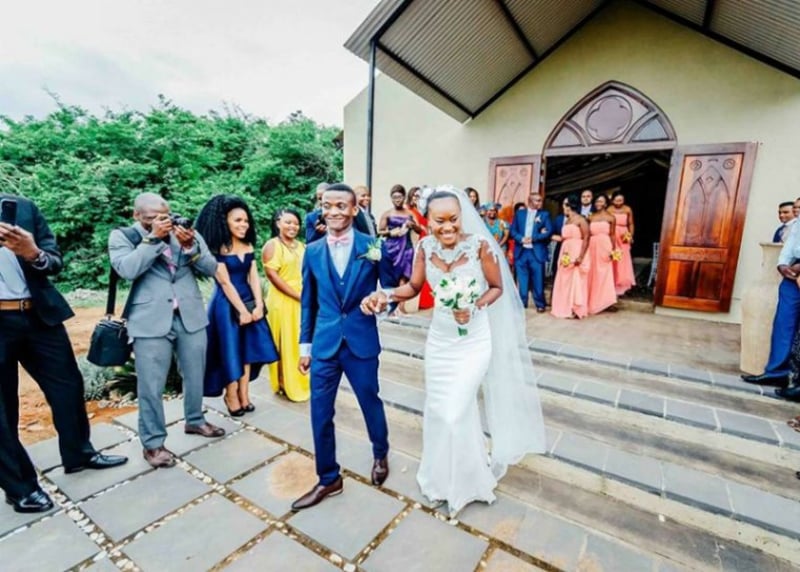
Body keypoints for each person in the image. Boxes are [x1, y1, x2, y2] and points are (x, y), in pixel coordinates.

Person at [362, 186, 546, 516]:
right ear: (427, 220)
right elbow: (413, 287)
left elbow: (497, 288)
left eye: (453, 219)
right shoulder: (423, 247)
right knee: (439, 409)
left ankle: (467, 482)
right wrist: (386, 295)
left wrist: (474, 306)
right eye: (439, 220)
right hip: (440, 342)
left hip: (474, 341)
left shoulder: (480, 246)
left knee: (455, 410)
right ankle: (441, 478)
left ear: (462, 217)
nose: (447, 227)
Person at [0, 194, 127, 513]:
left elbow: (55, 261)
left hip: (38, 315)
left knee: (68, 387)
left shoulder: (22, 208)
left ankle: (79, 453)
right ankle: (20, 487)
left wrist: (32, 253)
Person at [292, 183, 395, 511]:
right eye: (327, 205)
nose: (333, 211)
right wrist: (305, 347)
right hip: (324, 344)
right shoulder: (312, 251)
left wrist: (382, 302)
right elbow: (308, 303)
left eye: (340, 205)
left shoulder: (373, 246)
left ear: (354, 209)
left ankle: (380, 453)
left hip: (361, 341)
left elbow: (390, 289)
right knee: (320, 412)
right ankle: (328, 478)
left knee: (369, 401)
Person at [109, 192, 225, 469]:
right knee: (151, 384)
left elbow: (211, 267)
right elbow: (127, 269)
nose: (160, 222)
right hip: (149, 319)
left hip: (190, 314)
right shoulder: (123, 236)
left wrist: (191, 247)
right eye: (151, 218)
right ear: (137, 215)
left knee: (195, 373)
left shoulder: (183, 230)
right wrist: (152, 239)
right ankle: (153, 443)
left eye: (164, 216)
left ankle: (195, 420)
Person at [195, 195, 278, 416]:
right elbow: (225, 283)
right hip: (226, 305)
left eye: (246, 220)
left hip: (249, 301)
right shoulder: (218, 249)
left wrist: (259, 305)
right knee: (231, 349)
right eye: (238, 220)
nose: (244, 225)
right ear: (226, 222)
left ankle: (244, 394)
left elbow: (254, 277)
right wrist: (241, 311)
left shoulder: (248, 245)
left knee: (248, 350)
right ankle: (231, 394)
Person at [743, 224, 800, 387]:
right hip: (793, 270)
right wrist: (782, 264)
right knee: (784, 323)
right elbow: (793, 239)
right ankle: (777, 372)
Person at [262, 208, 309, 402]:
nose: (293, 226)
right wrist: (298, 296)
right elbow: (272, 276)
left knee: (300, 343)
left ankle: (300, 381)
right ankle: (283, 383)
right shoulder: (272, 245)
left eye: (296, 223)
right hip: (282, 301)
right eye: (288, 222)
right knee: (284, 343)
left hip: (302, 298)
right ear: (278, 223)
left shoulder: (302, 246)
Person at [378, 184, 421, 315]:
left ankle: (401, 307)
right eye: (394, 197)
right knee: (391, 278)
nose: (397, 200)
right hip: (391, 247)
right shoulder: (387, 214)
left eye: (400, 197)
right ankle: (391, 305)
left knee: (405, 275)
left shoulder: (410, 213)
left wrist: (412, 225)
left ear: (404, 197)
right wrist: (391, 233)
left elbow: (419, 230)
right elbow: (379, 231)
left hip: (406, 247)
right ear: (391, 198)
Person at [510, 191, 552, 312]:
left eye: (540, 200)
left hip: (536, 252)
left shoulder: (544, 214)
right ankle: (522, 303)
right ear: (529, 201)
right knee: (522, 280)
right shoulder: (520, 214)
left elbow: (549, 231)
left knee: (538, 280)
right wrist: (521, 238)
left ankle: (540, 304)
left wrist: (534, 238)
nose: (540, 203)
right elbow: (513, 230)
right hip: (521, 252)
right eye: (537, 200)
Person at [551, 195, 591, 319]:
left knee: (576, 278)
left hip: (577, 250)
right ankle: (565, 306)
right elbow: (564, 237)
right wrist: (552, 236)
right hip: (566, 250)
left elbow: (586, 237)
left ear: (569, 206)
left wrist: (581, 256)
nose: (563, 207)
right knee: (565, 279)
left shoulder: (581, 220)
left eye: (564, 205)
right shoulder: (567, 220)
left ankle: (575, 308)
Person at [587, 194, 618, 315]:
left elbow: (613, 235)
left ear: (606, 203)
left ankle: (606, 301)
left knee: (604, 273)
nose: (598, 204)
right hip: (592, 245)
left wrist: (613, 250)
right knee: (592, 272)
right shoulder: (591, 217)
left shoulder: (611, 218)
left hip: (605, 246)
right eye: (596, 201)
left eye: (601, 201)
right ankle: (591, 299)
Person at [407, 186, 434, 311]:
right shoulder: (410, 210)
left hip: (428, 237)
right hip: (417, 240)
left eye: (418, 196)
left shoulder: (424, 210)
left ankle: (428, 299)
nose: (416, 198)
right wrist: (422, 228)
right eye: (414, 196)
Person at [608, 191, 636, 295]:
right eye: (616, 200)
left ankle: (622, 283)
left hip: (623, 235)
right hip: (613, 234)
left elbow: (631, 223)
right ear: (612, 200)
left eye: (621, 200)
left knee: (624, 258)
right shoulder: (609, 209)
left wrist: (630, 235)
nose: (619, 203)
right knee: (614, 257)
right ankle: (613, 281)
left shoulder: (627, 209)